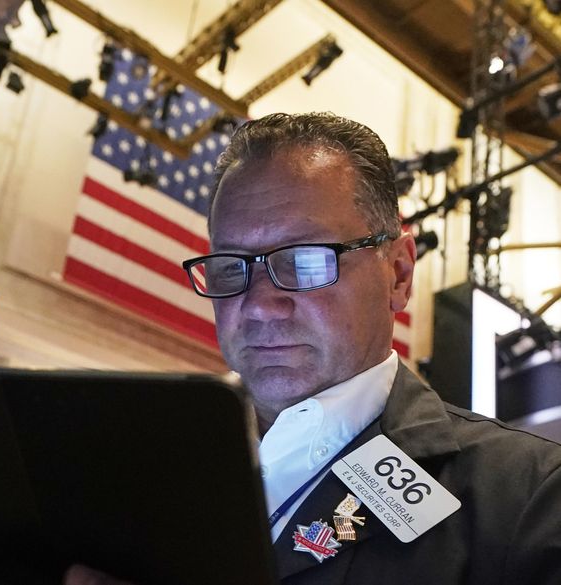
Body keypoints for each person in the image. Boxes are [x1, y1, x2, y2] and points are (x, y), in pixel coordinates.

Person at [63, 112, 561, 584]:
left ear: (398, 273)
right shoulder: (134, 474)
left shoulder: (531, 495)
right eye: (231, 266)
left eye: (304, 260)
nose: (259, 305)